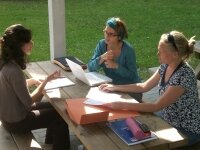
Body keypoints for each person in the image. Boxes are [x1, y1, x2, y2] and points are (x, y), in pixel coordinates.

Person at [99, 30, 200, 146]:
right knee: (133, 126)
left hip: (186, 130)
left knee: (142, 140)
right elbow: (144, 86)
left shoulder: (183, 77)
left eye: (161, 52)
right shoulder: (166, 66)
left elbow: (155, 106)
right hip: (169, 118)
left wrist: (121, 105)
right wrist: (115, 87)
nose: (157, 54)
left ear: (175, 54)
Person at [0, 24, 70, 150]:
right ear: (19, 46)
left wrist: (32, 81)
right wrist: (45, 83)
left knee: (56, 106)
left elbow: (12, 88)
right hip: (16, 122)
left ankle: (50, 143)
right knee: (60, 117)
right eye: (28, 41)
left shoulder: (5, 63)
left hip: (8, 117)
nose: (31, 43)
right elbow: (28, 103)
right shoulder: (14, 71)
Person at [88, 17, 142, 101]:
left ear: (119, 37)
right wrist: (101, 58)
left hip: (130, 90)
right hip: (112, 87)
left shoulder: (128, 50)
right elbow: (90, 67)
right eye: (106, 32)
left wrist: (116, 66)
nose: (107, 36)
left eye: (111, 34)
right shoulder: (102, 45)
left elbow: (132, 75)